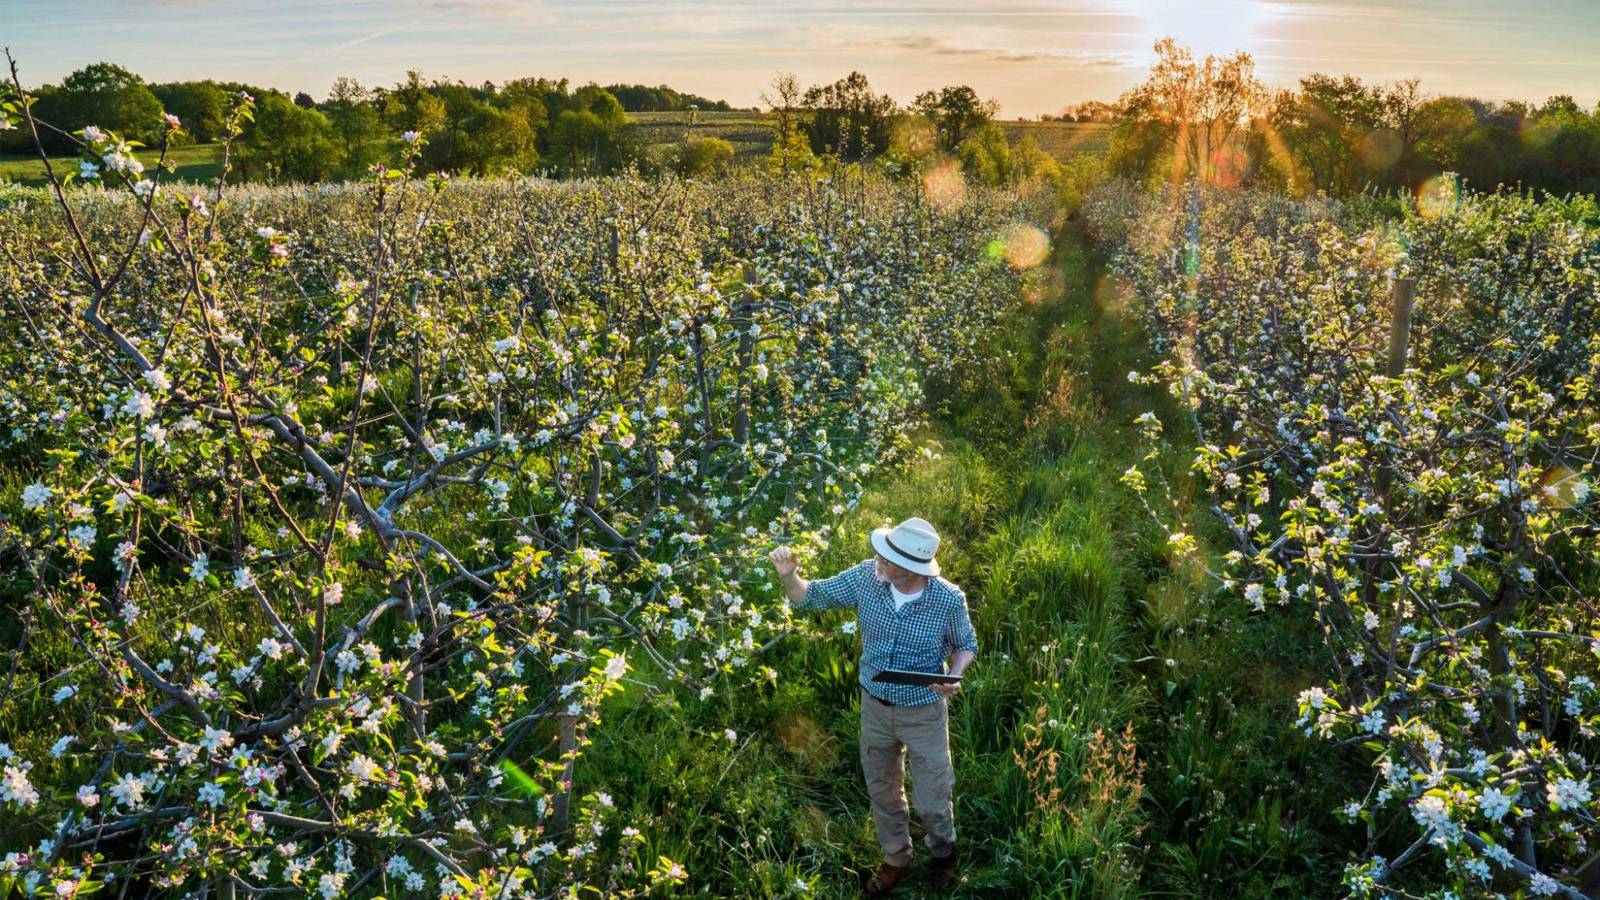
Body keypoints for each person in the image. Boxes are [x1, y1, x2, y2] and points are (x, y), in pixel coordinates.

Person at [768, 516, 978, 894]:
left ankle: (943, 855)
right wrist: (788, 575)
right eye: (879, 554)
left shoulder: (947, 599)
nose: (876, 561)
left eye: (886, 559)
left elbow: (965, 644)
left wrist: (954, 674)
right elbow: (810, 596)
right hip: (875, 707)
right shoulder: (868, 576)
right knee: (882, 789)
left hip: (924, 711)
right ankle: (896, 858)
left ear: (912, 568)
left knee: (932, 798)